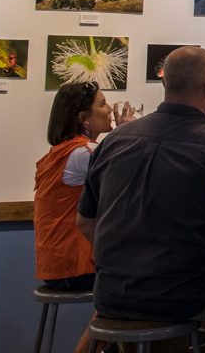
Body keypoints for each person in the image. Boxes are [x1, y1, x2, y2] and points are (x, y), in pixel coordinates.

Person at [77, 47, 205, 333]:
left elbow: (85, 222)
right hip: (186, 305)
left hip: (112, 300)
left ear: (165, 83)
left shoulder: (114, 141)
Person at [35, 82, 134, 292]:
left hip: (56, 264)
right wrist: (127, 133)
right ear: (83, 118)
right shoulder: (84, 152)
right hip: (77, 264)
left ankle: (101, 323)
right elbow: (129, 179)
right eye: (102, 104)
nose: (109, 109)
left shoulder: (62, 151)